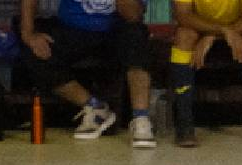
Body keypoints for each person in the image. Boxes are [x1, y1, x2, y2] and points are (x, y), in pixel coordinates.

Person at [20, 0, 156, 147]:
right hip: (71, 28)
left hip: (117, 30)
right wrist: (28, 34)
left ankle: (141, 118)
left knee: (137, 35)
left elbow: (134, 16)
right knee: (32, 51)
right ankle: (95, 107)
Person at [170, 0, 242, 146]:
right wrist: (222, 31)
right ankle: (184, 125)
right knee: (183, 35)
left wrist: (220, 34)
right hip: (200, 33)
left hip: (237, 34)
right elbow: (183, 16)